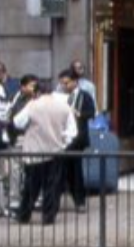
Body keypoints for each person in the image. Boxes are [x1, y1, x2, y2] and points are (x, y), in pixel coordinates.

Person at [11, 78, 76, 225]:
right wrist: (64, 142)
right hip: (56, 151)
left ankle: (24, 215)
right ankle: (49, 217)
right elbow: (72, 131)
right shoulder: (63, 107)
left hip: (34, 151)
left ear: (37, 92)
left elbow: (17, 122)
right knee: (52, 186)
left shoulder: (33, 105)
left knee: (31, 186)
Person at [59, 69, 95, 212]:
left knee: (75, 170)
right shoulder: (60, 97)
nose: (64, 86)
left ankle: (79, 201)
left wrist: (77, 113)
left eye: (66, 83)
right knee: (65, 169)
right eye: (62, 83)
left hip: (78, 137)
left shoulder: (84, 96)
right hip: (64, 137)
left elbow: (91, 113)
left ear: (75, 81)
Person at [2, 75, 38, 217]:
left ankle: (33, 198)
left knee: (33, 170)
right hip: (19, 138)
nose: (34, 88)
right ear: (22, 87)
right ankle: (15, 199)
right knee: (15, 170)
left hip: (34, 139)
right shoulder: (17, 99)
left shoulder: (37, 100)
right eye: (31, 85)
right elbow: (12, 119)